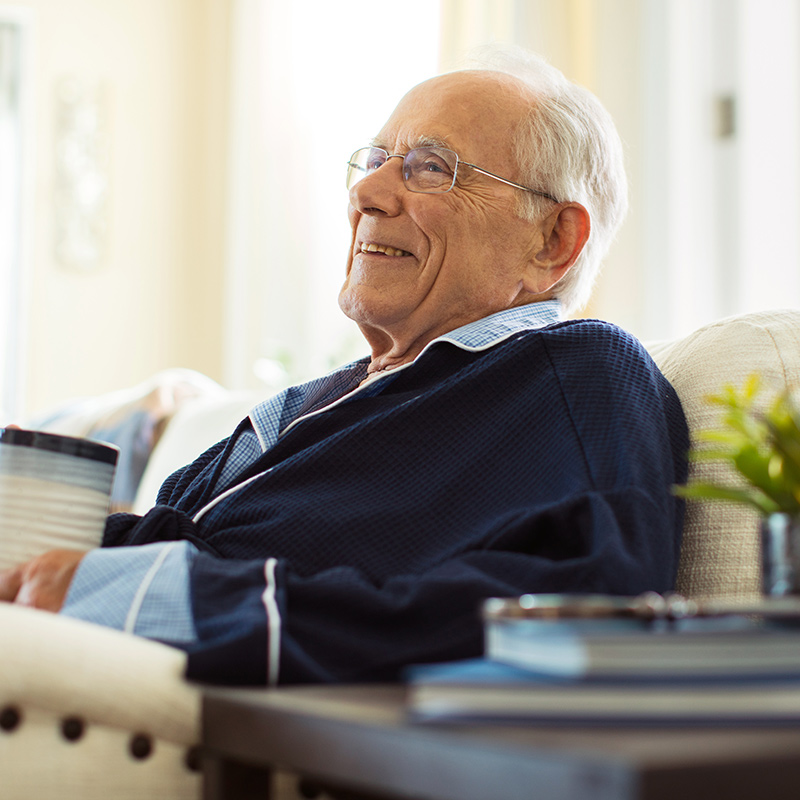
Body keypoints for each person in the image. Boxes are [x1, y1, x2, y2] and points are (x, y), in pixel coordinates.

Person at [0, 47, 688, 686]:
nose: (369, 194)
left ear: (553, 239)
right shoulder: (318, 399)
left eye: (429, 167)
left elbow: (595, 602)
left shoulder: (577, 370)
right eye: (377, 160)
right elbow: (174, 534)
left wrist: (153, 598)